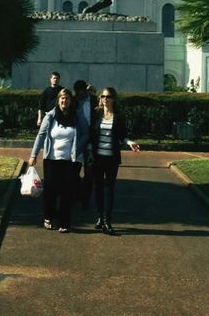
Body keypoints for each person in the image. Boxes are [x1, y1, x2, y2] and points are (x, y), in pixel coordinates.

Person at [28, 86, 91, 233]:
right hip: (51, 159)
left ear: (70, 101)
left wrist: (78, 148)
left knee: (67, 192)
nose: (64, 101)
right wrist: (33, 155)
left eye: (67, 98)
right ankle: (48, 216)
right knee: (50, 190)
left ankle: (64, 222)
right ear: (58, 100)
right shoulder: (50, 116)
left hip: (70, 160)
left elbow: (86, 134)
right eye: (62, 98)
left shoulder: (77, 115)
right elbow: (41, 136)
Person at [89, 86, 139, 236]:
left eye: (108, 97)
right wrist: (90, 151)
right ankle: (99, 216)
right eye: (103, 96)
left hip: (112, 158)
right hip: (97, 158)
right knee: (98, 188)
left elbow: (123, 135)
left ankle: (107, 221)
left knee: (109, 189)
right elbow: (91, 135)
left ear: (113, 99)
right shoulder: (96, 114)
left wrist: (129, 142)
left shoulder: (119, 117)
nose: (105, 99)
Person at [72, 79, 95, 207]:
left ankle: (85, 199)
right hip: (76, 140)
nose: (79, 95)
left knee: (89, 172)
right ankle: (77, 194)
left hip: (90, 141)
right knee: (73, 170)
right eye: (77, 93)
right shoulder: (73, 101)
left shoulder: (95, 101)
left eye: (81, 92)